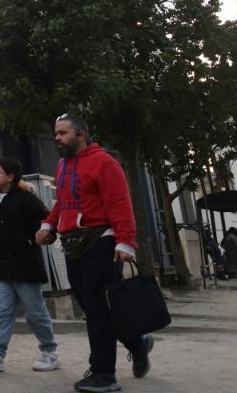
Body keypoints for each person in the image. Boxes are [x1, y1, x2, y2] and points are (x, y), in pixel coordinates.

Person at [35, 113, 153, 393]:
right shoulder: (62, 165)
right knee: (94, 309)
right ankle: (137, 343)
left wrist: (125, 242)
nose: (57, 138)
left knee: (98, 309)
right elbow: (62, 203)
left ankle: (104, 375)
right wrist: (49, 225)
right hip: (72, 244)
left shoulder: (105, 162)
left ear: (81, 135)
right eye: (56, 133)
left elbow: (120, 203)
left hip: (101, 243)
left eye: (63, 133)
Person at [0, 158, 60, 373]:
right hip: (2, 267)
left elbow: (48, 223)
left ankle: (49, 353)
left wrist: (46, 236)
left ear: (10, 177)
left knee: (35, 312)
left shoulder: (27, 199)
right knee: (1, 311)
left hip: (26, 266)